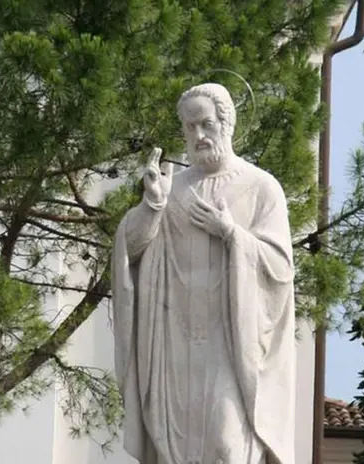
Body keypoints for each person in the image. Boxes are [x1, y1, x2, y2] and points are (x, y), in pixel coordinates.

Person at [111, 83, 295, 464]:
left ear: (226, 124)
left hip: (228, 345)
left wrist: (231, 234)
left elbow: (280, 269)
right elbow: (130, 251)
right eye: (189, 126)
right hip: (174, 343)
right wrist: (152, 205)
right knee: (175, 450)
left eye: (205, 124)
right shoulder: (171, 189)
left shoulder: (261, 188)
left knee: (227, 444)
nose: (197, 135)